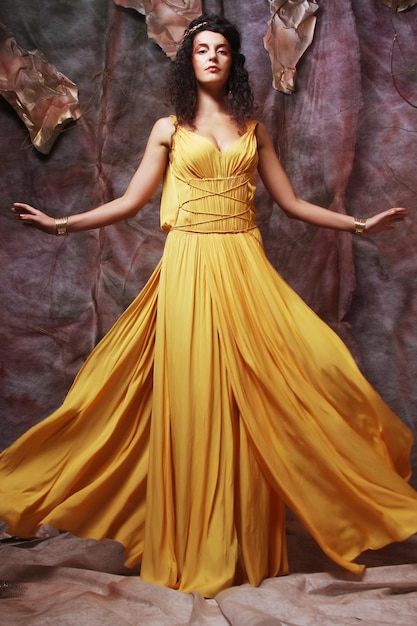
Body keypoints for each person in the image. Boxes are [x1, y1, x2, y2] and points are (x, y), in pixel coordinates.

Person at [2, 14, 417, 599]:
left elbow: (294, 203)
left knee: (287, 383)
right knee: (194, 398)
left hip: (245, 266)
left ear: (234, 61)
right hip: (189, 270)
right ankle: (193, 545)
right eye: (202, 49)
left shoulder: (255, 127)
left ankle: (246, 545)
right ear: (188, 60)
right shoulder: (168, 128)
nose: (213, 57)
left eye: (222, 49)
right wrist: (62, 223)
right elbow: (128, 202)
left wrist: (359, 223)